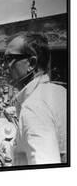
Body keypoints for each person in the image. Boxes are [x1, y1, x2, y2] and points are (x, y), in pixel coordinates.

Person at [4, 33, 67, 165]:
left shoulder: (34, 106)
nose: (3, 66)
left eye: (9, 58)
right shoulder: (61, 92)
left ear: (31, 63)